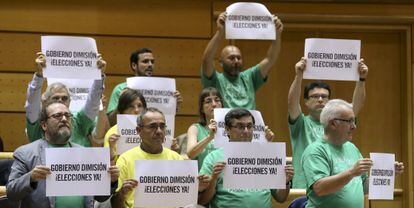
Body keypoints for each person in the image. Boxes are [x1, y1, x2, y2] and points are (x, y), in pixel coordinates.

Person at [7, 101, 119, 208]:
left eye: (67, 115)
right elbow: (11, 192)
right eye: (57, 116)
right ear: (44, 125)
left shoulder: (85, 153)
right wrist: (31, 178)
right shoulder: (25, 154)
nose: (64, 119)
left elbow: (100, 197)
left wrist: (111, 181)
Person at [301, 99, 404, 208]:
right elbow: (320, 188)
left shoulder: (352, 148)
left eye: (354, 121)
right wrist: (351, 172)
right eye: (349, 121)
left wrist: (386, 173)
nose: (354, 126)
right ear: (333, 123)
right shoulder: (315, 151)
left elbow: (363, 186)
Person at [287, 57, 369, 188]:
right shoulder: (301, 123)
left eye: (324, 97)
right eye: (314, 96)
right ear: (306, 102)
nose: (320, 100)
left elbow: (356, 107)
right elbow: (292, 103)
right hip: (305, 187)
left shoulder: (339, 122)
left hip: (336, 185)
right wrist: (298, 76)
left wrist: (361, 79)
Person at [111, 107, 210, 208]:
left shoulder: (176, 158)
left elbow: (185, 201)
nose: (159, 131)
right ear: (139, 130)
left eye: (162, 126)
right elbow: (115, 205)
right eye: (152, 126)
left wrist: (197, 187)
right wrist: (122, 193)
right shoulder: (125, 159)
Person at [199, 108, 294, 208]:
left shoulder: (265, 156)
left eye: (249, 126)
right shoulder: (213, 158)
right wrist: (214, 179)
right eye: (240, 126)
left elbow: (280, 198)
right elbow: (202, 201)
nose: (246, 131)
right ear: (227, 129)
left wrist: (286, 181)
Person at [201, 12, 283, 110]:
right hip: (226, 124)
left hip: (249, 124)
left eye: (239, 58)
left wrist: (277, 35)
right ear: (221, 62)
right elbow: (207, 59)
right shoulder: (215, 80)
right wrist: (220, 32)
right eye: (231, 58)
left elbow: (270, 59)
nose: (236, 61)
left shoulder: (249, 77)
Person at [25, 52, 106, 147]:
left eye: (64, 98)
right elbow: (32, 103)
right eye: (55, 98)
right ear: (45, 101)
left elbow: (93, 103)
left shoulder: (77, 120)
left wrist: (99, 75)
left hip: (78, 161)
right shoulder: (38, 121)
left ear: (69, 101)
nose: (60, 101)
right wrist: (39, 76)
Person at [107, 48, 183, 126]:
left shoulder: (162, 90)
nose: (150, 64)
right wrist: (120, 104)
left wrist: (174, 106)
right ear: (134, 65)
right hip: (128, 135)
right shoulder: (121, 89)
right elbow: (111, 122)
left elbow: (165, 121)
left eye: (152, 62)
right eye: (145, 61)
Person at [105, 88, 147, 164]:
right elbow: (109, 166)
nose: (137, 110)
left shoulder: (152, 129)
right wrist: (111, 148)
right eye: (131, 106)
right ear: (122, 111)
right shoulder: (113, 133)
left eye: (140, 106)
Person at [186, 87, 223, 170]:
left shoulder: (231, 128)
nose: (214, 104)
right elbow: (190, 154)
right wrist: (209, 138)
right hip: (203, 178)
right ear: (202, 109)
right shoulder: (195, 128)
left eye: (217, 100)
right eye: (208, 101)